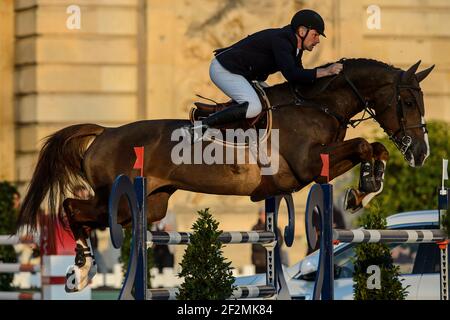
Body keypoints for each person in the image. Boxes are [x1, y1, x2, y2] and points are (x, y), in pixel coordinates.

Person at [187, 9, 343, 141]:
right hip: (224, 69)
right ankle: (201, 127)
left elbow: (299, 77)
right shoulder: (282, 41)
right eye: (315, 35)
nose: (317, 41)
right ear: (302, 31)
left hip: (242, 74)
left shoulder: (295, 46)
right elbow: (292, 74)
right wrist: (326, 71)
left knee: (271, 103)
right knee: (254, 107)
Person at [251, 207, 288, 274]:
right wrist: (270, 244)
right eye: (261, 214)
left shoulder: (275, 228)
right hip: (260, 262)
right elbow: (256, 245)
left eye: (265, 214)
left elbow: (280, 241)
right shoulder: (255, 228)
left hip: (273, 261)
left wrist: (269, 244)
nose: (263, 216)